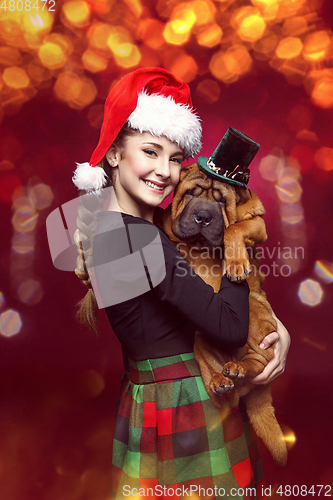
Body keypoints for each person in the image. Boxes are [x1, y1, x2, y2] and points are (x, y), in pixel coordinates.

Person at [72, 68, 290, 499]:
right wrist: (237, 240)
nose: (164, 171)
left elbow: (195, 302)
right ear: (114, 154)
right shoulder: (140, 238)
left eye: (174, 159)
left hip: (161, 397)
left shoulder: (111, 227)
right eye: (150, 152)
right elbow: (227, 326)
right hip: (185, 405)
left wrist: (273, 327)